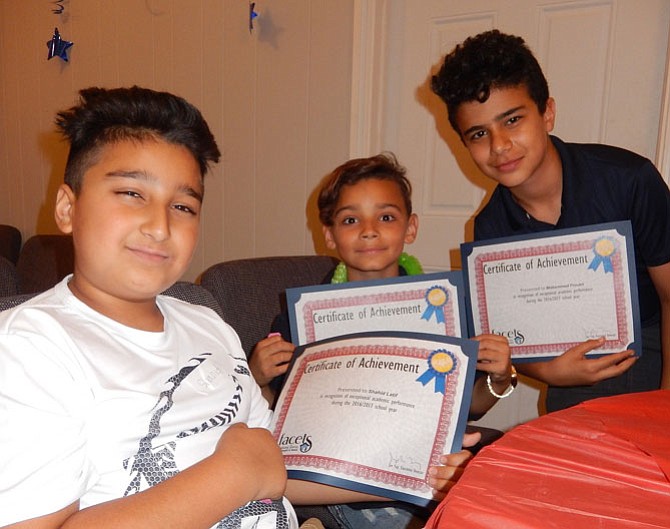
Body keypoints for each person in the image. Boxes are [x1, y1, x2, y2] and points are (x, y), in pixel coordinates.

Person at [0, 87, 474, 529]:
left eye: (183, 206)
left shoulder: (206, 322)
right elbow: (249, 468)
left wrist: (407, 467)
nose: (159, 226)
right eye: (131, 194)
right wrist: (234, 474)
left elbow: (273, 462)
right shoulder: (29, 349)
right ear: (67, 208)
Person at [250, 152, 513, 529]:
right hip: (339, 480)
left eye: (386, 217)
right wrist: (257, 376)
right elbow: (277, 412)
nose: (369, 230)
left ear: (411, 228)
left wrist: (499, 378)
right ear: (329, 234)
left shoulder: (447, 309)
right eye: (350, 219)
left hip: (424, 473)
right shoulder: (300, 320)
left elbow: (468, 406)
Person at [431, 29, 670, 412]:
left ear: (548, 113)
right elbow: (513, 343)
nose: (499, 146)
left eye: (511, 120)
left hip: (656, 356)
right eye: (479, 133)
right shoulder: (489, 229)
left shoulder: (628, 180)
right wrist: (549, 372)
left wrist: (663, 406)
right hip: (576, 382)